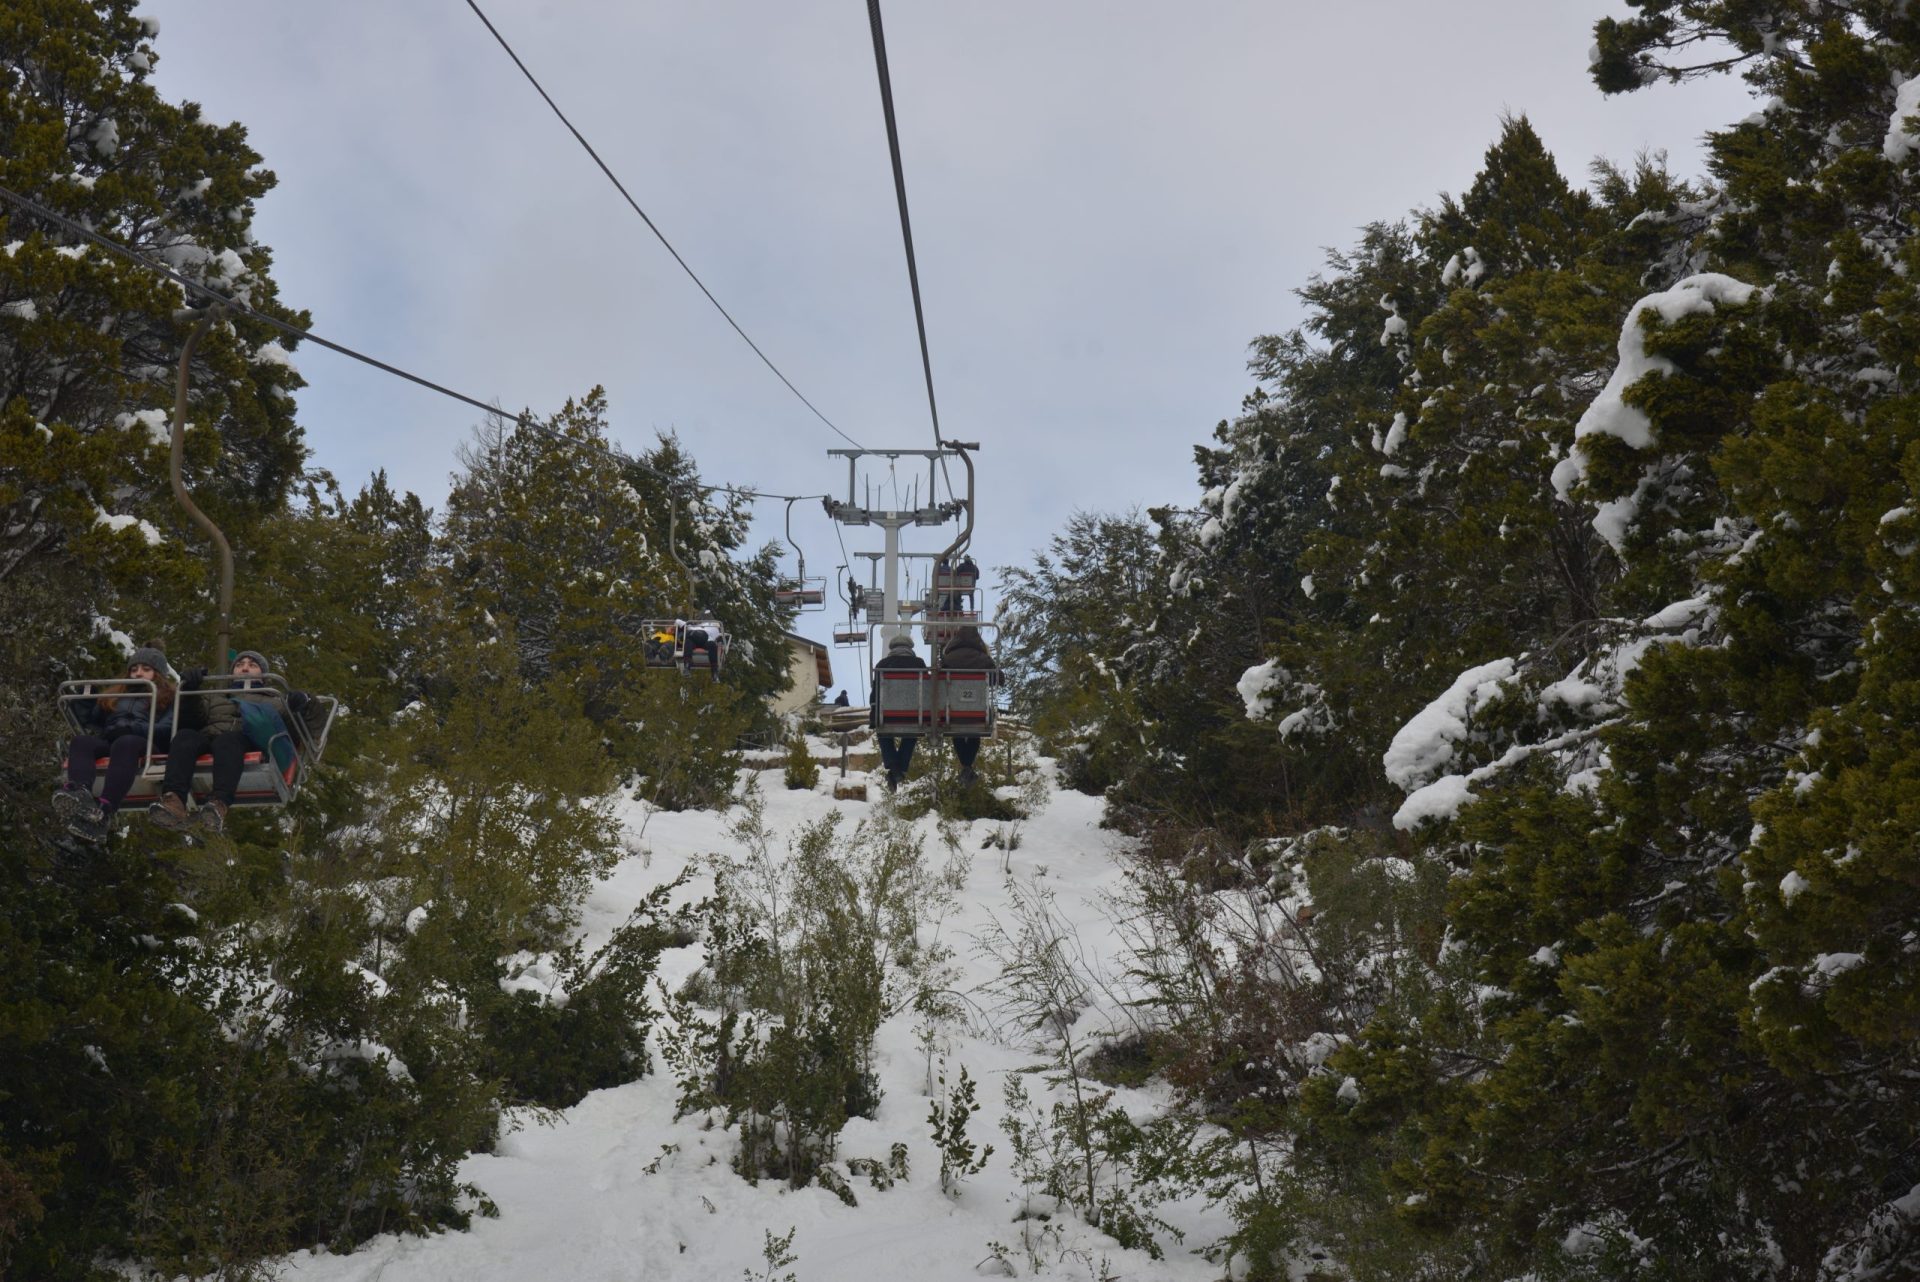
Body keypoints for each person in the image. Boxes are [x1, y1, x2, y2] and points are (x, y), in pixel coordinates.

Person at [150, 649, 311, 834]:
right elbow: (193, 719)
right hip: (209, 734)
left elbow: (293, 732)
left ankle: (219, 802)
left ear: (263, 674)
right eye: (240, 665)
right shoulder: (216, 695)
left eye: (252, 665)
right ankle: (174, 800)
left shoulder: (274, 700)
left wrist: (301, 708)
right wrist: (190, 693)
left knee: (227, 741)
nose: (244, 668)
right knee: (185, 736)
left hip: (245, 740)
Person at [52, 645, 175, 840]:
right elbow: (90, 721)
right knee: (82, 742)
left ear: (158, 674)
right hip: (113, 740)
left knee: (126, 743)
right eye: (134, 670)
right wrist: (85, 700)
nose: (138, 674)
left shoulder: (168, 698)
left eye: (145, 669)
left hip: (146, 744)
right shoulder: (116, 694)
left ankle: (106, 807)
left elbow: (168, 729)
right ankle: (80, 790)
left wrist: (134, 729)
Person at [936, 625, 997, 784]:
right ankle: (967, 766)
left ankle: (966, 766)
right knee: (975, 732)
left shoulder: (948, 659)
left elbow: (939, 680)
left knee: (955, 731)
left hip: (953, 711)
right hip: (978, 711)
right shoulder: (983, 658)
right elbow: (999, 679)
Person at [871, 634, 926, 792]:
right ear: (910, 648)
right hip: (914, 713)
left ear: (892, 648)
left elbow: (875, 692)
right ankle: (899, 770)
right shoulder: (919, 663)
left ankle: (895, 769)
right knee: (911, 734)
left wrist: (874, 712)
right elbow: (927, 688)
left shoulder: (882, 664)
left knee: (883, 733)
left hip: (887, 714)